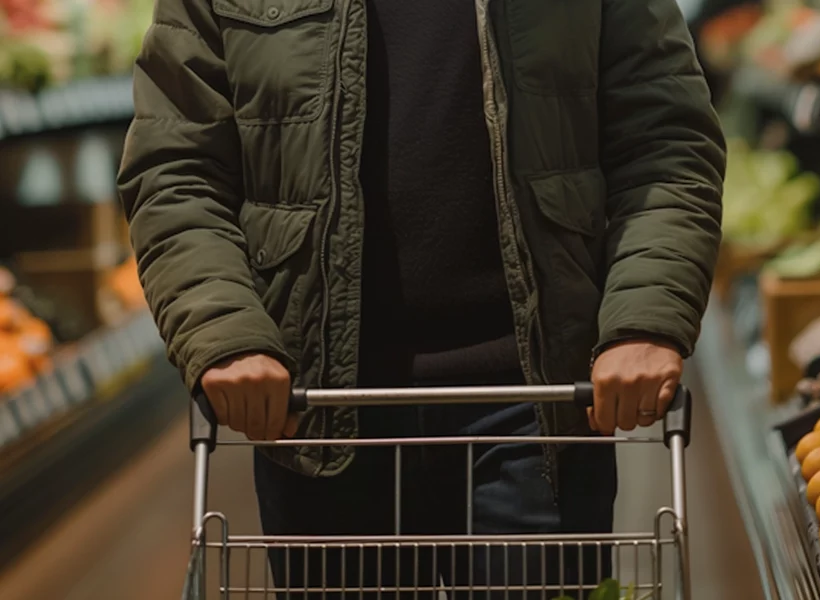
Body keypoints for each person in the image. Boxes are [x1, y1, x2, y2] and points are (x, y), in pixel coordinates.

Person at [118, 0, 724, 598]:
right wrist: (226, 334)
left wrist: (645, 322)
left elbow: (665, 144)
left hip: (536, 408)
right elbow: (177, 168)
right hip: (320, 410)